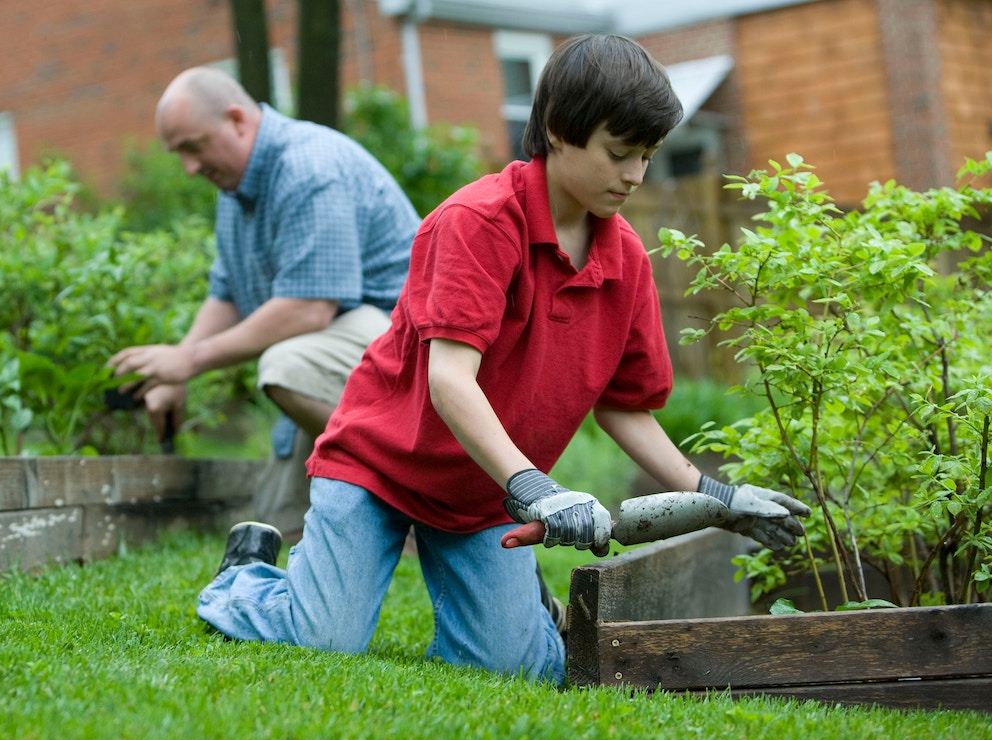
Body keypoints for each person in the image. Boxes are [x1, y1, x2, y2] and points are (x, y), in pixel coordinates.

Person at [196, 33, 810, 686]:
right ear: (556, 130)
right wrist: (538, 488)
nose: (635, 175)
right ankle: (246, 576)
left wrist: (722, 498)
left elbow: (625, 410)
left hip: (484, 493)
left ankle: (520, 613)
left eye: (647, 156)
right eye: (619, 153)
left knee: (513, 669)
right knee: (324, 638)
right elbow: (450, 380)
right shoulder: (477, 223)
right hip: (379, 466)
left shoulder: (625, 259)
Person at [109, 67, 420, 539]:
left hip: (410, 354)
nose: (189, 168)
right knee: (273, 526)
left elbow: (308, 308)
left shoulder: (307, 167)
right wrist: (172, 372)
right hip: (341, 358)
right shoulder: (235, 190)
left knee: (287, 366)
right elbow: (228, 292)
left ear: (237, 119)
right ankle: (375, 506)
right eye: (179, 155)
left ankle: (418, 492)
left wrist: (190, 360)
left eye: (193, 147)